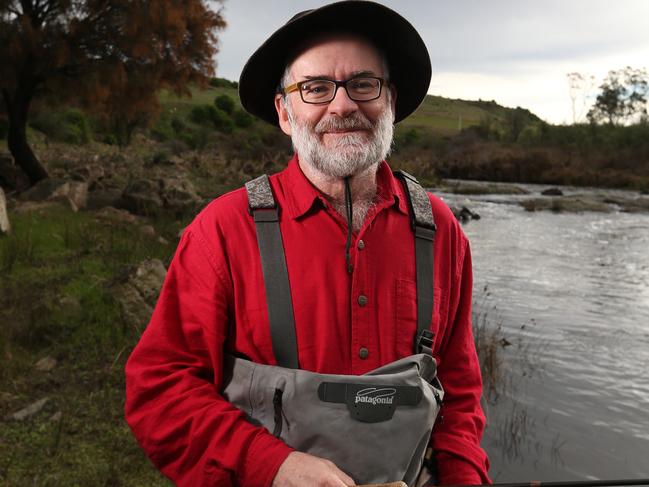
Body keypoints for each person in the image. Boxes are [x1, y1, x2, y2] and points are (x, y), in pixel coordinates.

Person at [125, 2, 490, 486]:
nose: (342, 106)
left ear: (391, 101)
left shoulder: (441, 230)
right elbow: (160, 391)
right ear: (284, 111)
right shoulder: (222, 230)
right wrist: (271, 465)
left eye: (363, 84)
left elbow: (459, 394)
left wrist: (464, 478)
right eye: (316, 88)